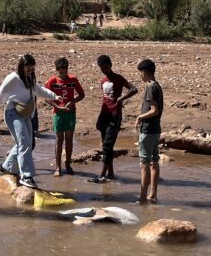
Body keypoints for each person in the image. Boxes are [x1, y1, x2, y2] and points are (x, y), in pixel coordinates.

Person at [0, 53, 59, 189]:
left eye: (32, 69)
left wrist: (55, 96)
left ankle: (5, 167)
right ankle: (26, 176)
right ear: (22, 66)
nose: (30, 71)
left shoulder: (30, 79)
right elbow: (0, 93)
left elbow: (39, 90)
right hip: (13, 113)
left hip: (26, 114)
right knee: (24, 143)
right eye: (28, 69)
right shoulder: (13, 78)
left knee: (24, 142)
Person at [87, 54, 138, 184]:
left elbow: (134, 89)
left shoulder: (119, 78)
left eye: (106, 67)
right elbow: (105, 98)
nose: (104, 70)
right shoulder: (103, 81)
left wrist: (121, 98)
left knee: (107, 145)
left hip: (115, 115)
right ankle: (111, 174)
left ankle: (102, 176)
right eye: (101, 68)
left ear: (110, 65)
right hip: (104, 113)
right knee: (106, 144)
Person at [44, 57, 85, 177]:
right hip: (58, 113)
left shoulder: (73, 80)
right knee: (59, 139)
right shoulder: (52, 81)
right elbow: (46, 97)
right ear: (56, 70)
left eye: (65, 72)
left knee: (69, 139)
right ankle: (58, 167)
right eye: (60, 72)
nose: (63, 74)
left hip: (71, 113)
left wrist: (72, 102)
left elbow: (82, 94)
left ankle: (68, 164)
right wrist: (57, 106)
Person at [134, 59, 163, 203]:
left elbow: (154, 110)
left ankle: (142, 197)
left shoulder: (150, 87)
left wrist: (140, 116)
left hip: (148, 129)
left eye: (141, 73)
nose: (140, 76)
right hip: (156, 129)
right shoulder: (157, 86)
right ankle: (153, 195)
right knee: (154, 162)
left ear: (145, 72)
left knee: (144, 164)